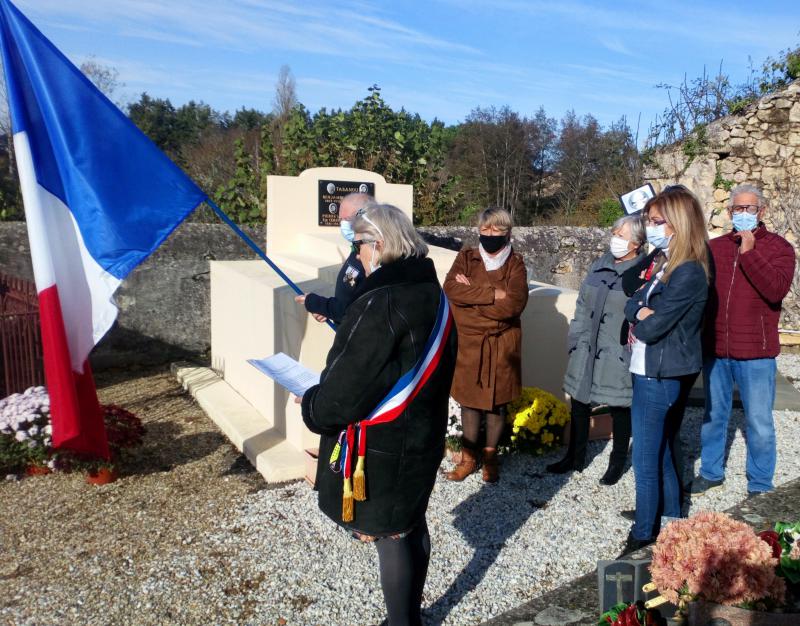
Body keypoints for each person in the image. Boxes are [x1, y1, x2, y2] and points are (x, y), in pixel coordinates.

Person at [300, 203, 457, 626]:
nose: (357, 254)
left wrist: (314, 406)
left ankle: (401, 622)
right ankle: (409, 616)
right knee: (412, 523)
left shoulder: (381, 301)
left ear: (381, 245)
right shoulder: (431, 294)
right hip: (421, 433)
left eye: (360, 244)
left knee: (392, 535)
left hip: (385, 445)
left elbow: (347, 389)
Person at [691, 184, 796, 497]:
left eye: (751, 208)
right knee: (713, 416)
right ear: (729, 212)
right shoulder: (715, 247)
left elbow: (775, 290)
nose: (744, 213)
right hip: (716, 348)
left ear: (762, 211)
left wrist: (749, 254)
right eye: (738, 208)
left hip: (756, 352)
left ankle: (761, 484)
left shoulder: (779, 248)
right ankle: (710, 472)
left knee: (760, 422)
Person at [622, 185, 710, 553]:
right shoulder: (666, 264)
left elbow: (650, 325)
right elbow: (634, 301)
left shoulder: (687, 272)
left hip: (660, 375)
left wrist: (641, 315)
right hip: (650, 369)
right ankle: (672, 522)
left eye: (657, 221)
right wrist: (640, 311)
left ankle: (644, 535)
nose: (651, 227)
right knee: (659, 453)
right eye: (649, 220)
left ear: (677, 223)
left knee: (644, 459)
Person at [547, 214, 646, 485]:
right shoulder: (599, 266)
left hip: (617, 352)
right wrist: (575, 340)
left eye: (621, 234)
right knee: (579, 404)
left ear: (636, 243)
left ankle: (617, 463)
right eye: (614, 231)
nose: (614, 237)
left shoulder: (641, 273)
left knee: (620, 408)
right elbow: (582, 306)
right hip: (587, 349)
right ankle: (574, 457)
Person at [443, 207, 529, 483]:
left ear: (508, 233)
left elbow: (514, 305)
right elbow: (451, 290)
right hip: (470, 344)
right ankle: (469, 457)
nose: (490, 235)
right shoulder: (466, 257)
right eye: (485, 229)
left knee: (496, 405)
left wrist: (473, 303)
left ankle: (491, 456)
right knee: (470, 403)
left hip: (501, 346)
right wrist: (493, 293)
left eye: (497, 230)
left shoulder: (516, 263)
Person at [294, 192, 373, 325]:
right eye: (340, 220)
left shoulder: (374, 260)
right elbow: (346, 302)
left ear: (364, 216)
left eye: (347, 219)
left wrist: (315, 303)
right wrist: (327, 310)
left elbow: (355, 312)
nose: (343, 225)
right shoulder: (357, 250)